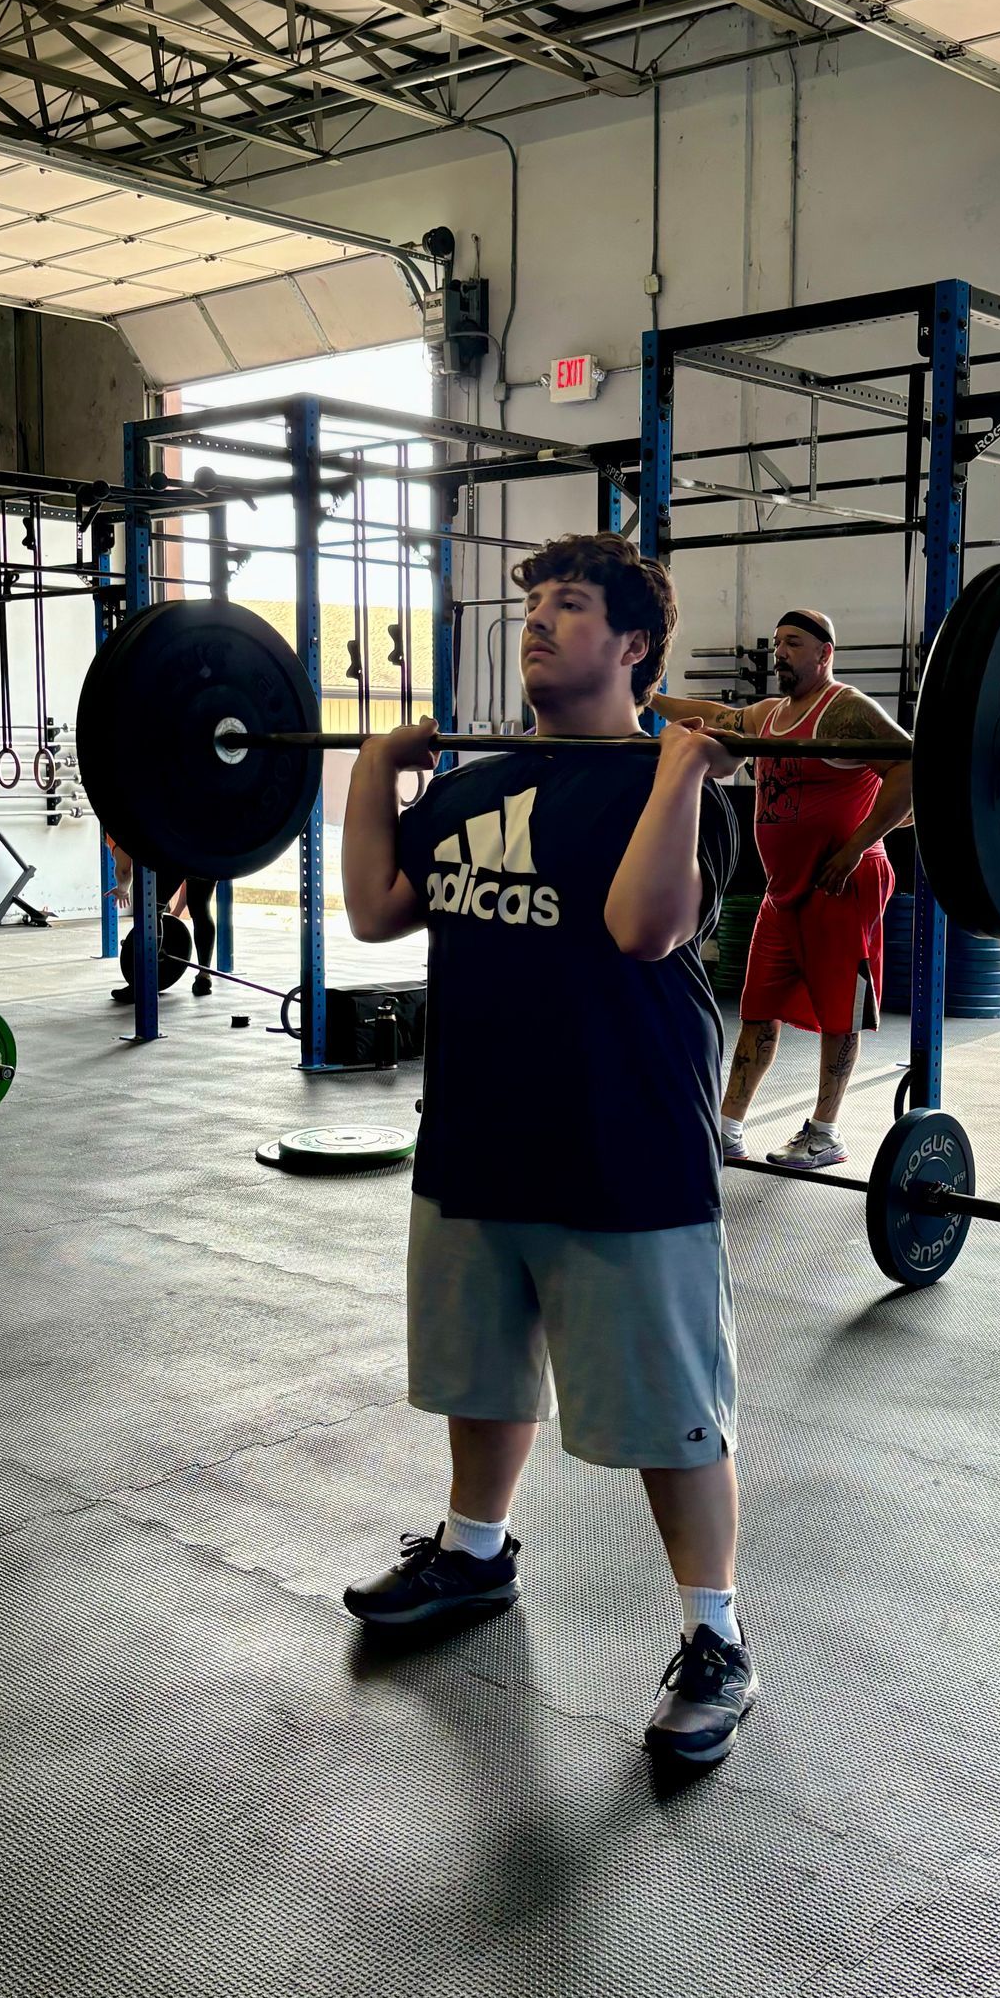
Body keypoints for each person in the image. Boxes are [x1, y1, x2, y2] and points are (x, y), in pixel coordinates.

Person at [339, 533, 757, 1770]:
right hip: (476, 1133)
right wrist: (373, 770)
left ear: (634, 645)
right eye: (532, 606)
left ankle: (716, 1635)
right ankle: (474, 1553)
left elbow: (641, 930)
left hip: (624, 1153)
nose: (538, 624)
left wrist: (681, 770)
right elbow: (375, 909)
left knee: (673, 1416)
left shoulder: (678, 791)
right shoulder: (474, 786)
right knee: (479, 1374)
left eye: (569, 608)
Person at [652, 609, 912, 1170]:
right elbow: (717, 715)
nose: (781, 652)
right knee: (757, 1009)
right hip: (784, 890)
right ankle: (726, 1128)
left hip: (843, 882)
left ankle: (824, 1133)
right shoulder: (771, 716)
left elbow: (911, 769)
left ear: (825, 654)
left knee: (840, 1015)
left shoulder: (845, 709)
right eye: (777, 644)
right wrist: (646, 697)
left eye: (794, 643)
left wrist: (853, 848)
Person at [108, 847, 218, 1001]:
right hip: (207, 852)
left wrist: (122, 890)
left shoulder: (115, 829)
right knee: (201, 910)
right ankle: (204, 975)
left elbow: (125, 870)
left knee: (152, 909)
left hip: (177, 851)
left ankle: (143, 985)